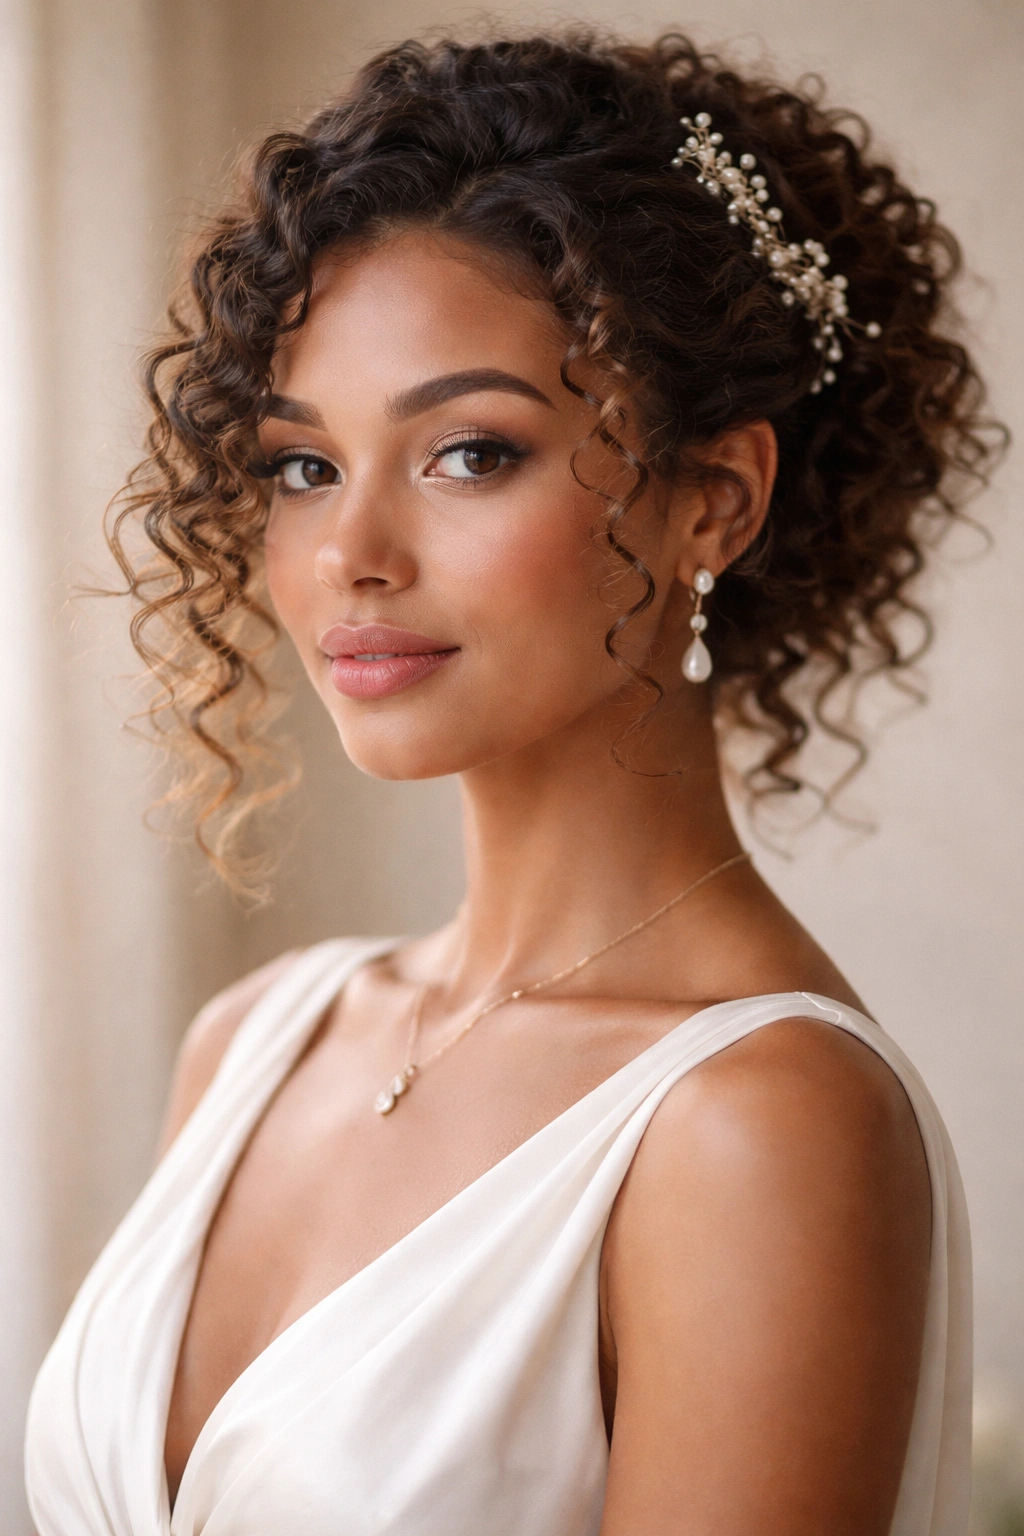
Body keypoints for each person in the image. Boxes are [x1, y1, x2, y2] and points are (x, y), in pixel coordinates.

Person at [25, 29, 998, 1536]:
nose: (353, 554)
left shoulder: (757, 1122)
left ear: (713, 502)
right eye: (301, 465)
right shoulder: (256, 1042)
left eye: (470, 452)